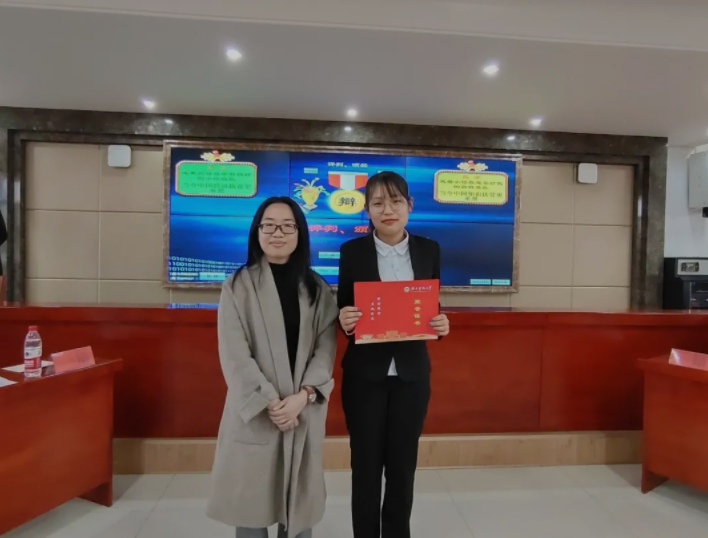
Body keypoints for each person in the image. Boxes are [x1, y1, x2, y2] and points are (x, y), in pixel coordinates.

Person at [206, 196, 339, 538]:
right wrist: (273, 404)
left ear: (299, 233)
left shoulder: (318, 289)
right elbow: (235, 356)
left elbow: (325, 350)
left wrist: (303, 397)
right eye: (269, 225)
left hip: (302, 411)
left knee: (298, 513)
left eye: (287, 226)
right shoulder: (237, 287)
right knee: (251, 512)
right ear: (257, 232)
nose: (277, 233)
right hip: (257, 413)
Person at [337, 171, 450, 538]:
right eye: (378, 202)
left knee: (402, 468)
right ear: (367, 209)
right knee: (365, 467)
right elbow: (344, 310)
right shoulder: (352, 252)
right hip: (364, 376)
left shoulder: (428, 249)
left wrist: (441, 322)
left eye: (396, 201)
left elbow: (430, 307)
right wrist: (345, 319)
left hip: (411, 376)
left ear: (409, 206)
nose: (388, 210)